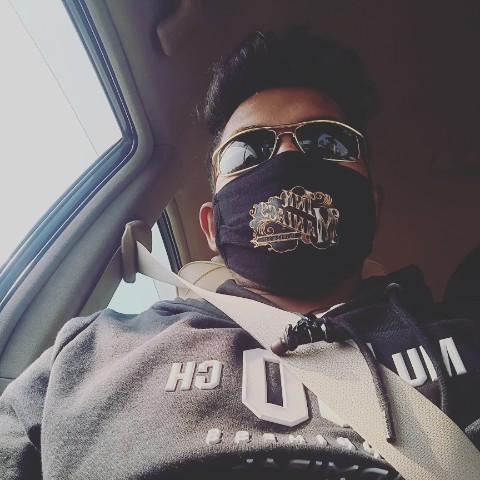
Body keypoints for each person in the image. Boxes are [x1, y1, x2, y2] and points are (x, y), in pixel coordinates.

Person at [1, 26, 480, 480]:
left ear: (372, 205)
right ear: (212, 226)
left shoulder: (468, 340)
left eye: (327, 141)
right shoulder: (93, 349)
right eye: (246, 152)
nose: (289, 157)